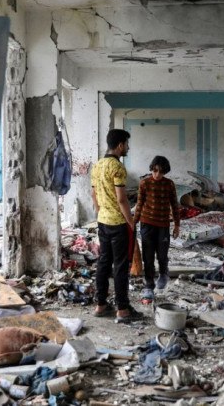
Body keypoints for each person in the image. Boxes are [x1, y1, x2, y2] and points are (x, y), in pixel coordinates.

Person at [91, 129, 142, 323]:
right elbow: (122, 200)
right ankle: (122, 309)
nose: (128, 147)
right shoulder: (118, 168)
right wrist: (131, 222)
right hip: (118, 224)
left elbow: (94, 195)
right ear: (120, 145)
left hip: (103, 221)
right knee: (120, 266)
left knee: (103, 262)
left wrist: (100, 213)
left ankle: (101, 305)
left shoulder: (97, 166)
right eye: (127, 144)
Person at [133, 156, 181, 300]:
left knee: (162, 254)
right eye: (155, 170)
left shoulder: (169, 184)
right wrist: (133, 223)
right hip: (146, 224)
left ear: (165, 172)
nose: (157, 174)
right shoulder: (144, 183)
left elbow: (174, 205)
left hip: (163, 225)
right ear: (151, 169)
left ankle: (163, 274)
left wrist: (177, 225)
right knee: (148, 256)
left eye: (161, 172)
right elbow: (139, 204)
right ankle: (149, 285)